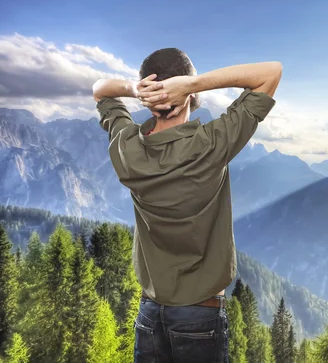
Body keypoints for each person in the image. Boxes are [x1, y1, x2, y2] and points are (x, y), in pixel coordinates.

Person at [92, 48, 282, 363]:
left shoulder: (128, 148)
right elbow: (271, 72)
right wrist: (192, 84)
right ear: (188, 94)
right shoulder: (210, 144)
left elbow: (100, 89)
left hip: (149, 313)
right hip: (201, 315)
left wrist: (136, 90)